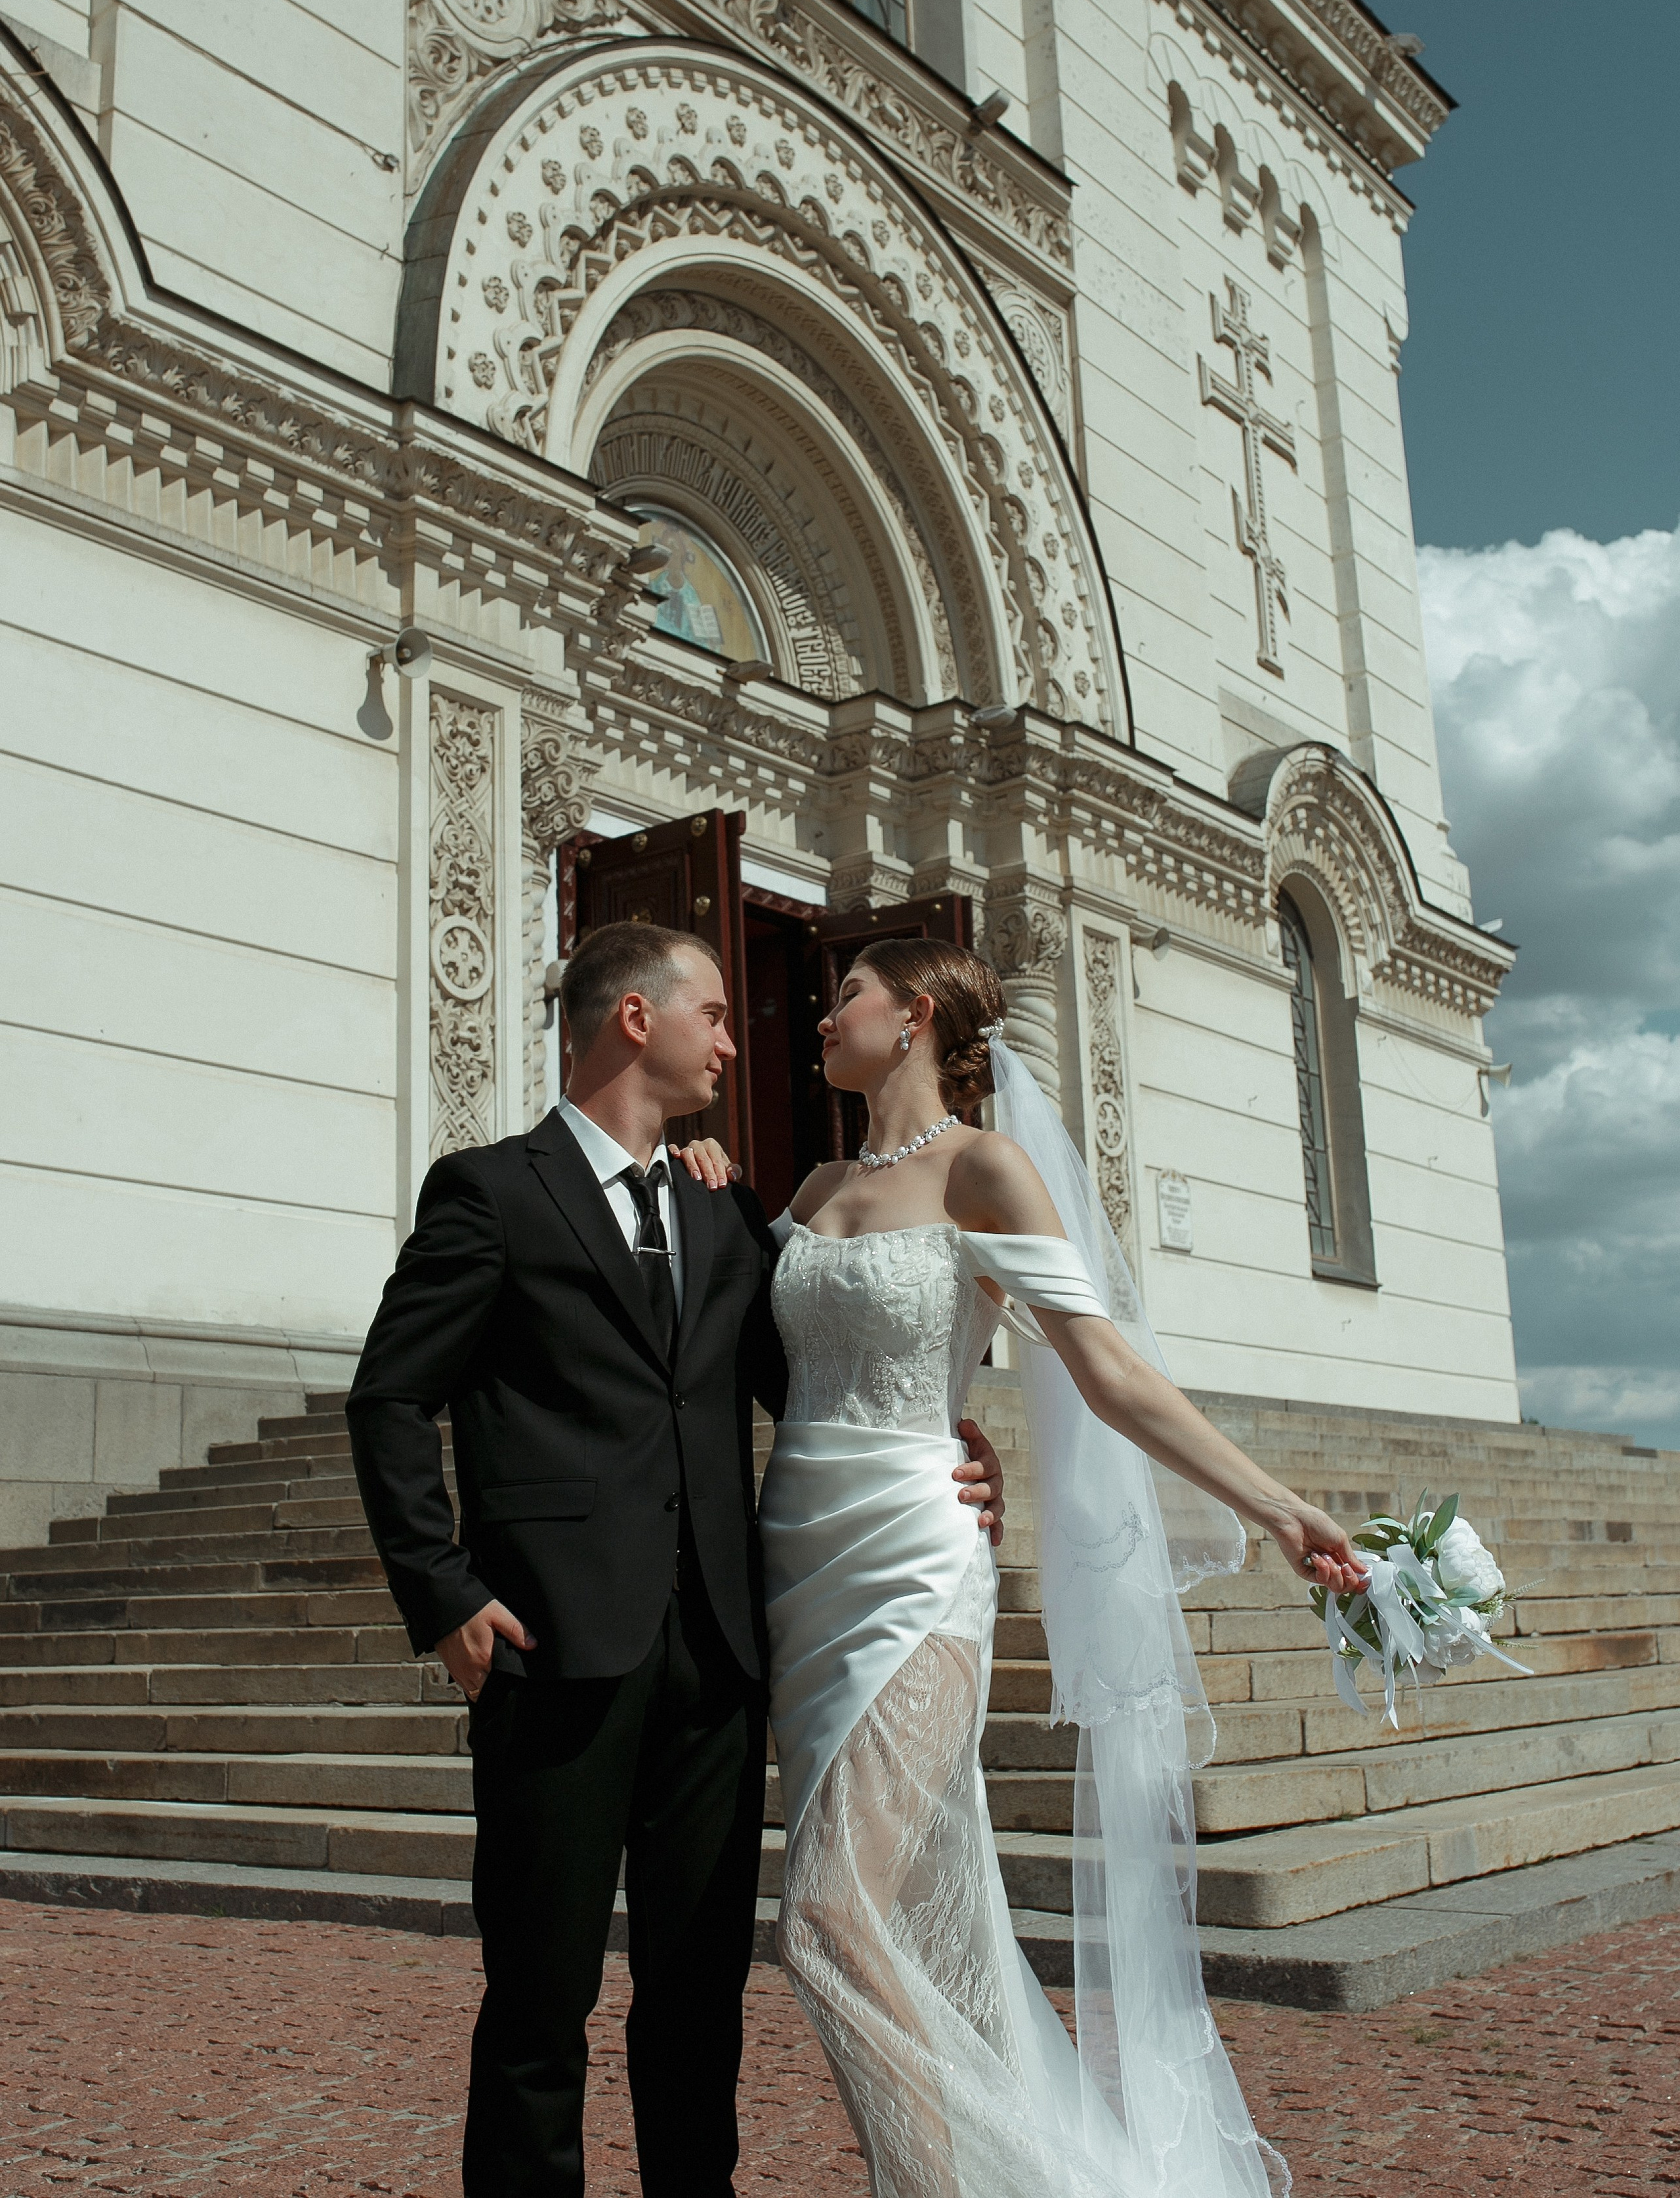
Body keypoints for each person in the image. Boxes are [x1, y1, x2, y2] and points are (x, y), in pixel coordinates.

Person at [344, 919, 1005, 2198]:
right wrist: (443, 1592)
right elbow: (386, 1399)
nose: (733, 1033)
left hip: (715, 1663)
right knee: (538, 2009)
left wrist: (952, 1428)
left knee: (696, 2007)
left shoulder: (721, 1211)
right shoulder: (487, 1190)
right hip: (553, 1654)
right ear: (636, 1019)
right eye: (711, 1009)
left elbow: (816, 1380)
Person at [748, 935, 1368, 2197]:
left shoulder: (986, 1167)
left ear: (912, 1015)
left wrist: (1277, 1505)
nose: (822, 1017)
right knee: (899, 1928)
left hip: (917, 1568)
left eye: (845, 996)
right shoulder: (807, 1191)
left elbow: (1110, 1366)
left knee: (823, 1915)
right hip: (796, 1575)